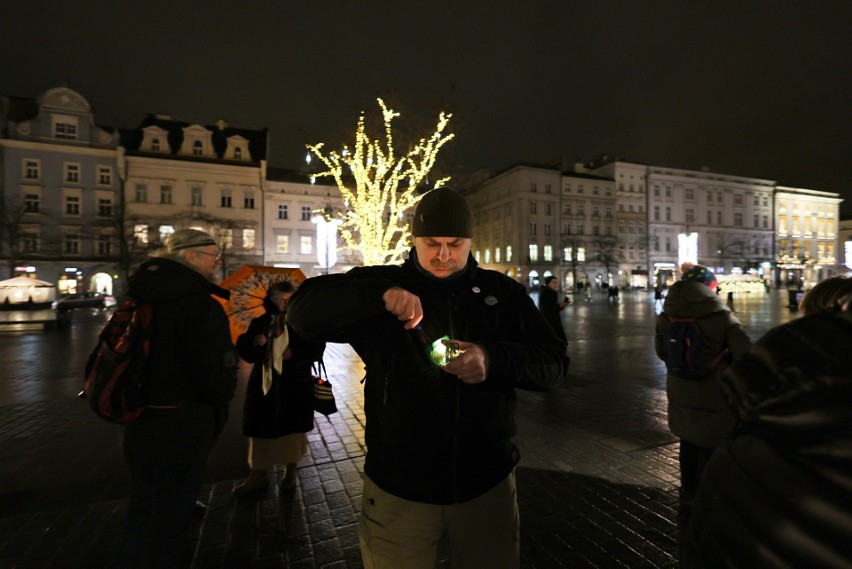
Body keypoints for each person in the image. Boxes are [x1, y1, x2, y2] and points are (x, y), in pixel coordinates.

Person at [287, 186, 569, 568]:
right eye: (431, 242)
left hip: (486, 484)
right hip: (398, 488)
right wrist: (379, 295)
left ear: (470, 241)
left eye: (454, 243)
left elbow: (553, 363)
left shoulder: (501, 293)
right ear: (414, 240)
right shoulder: (381, 283)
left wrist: (493, 357)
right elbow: (302, 310)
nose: (443, 254)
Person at [688, 292, 852, 568]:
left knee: (692, 444)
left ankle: (687, 487)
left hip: (697, 395)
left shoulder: (753, 431)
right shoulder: (725, 321)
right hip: (714, 396)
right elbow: (741, 349)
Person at [109, 229, 238, 569]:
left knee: (143, 507)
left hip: (139, 418)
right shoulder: (200, 306)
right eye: (213, 256)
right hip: (183, 425)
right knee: (171, 518)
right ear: (191, 256)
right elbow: (214, 380)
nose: (217, 264)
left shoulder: (138, 294)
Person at [654, 265, 752, 504]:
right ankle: (708, 494)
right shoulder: (721, 315)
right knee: (712, 440)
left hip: (679, 386)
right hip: (713, 389)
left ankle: (688, 490)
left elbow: (661, 351)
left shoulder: (667, 315)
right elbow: (746, 355)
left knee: (688, 440)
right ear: (709, 287)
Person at [232, 281, 326, 497]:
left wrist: (294, 354)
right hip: (264, 386)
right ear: (271, 299)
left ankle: (290, 470)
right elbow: (247, 352)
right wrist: (255, 342)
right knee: (259, 429)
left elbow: (316, 348)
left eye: (289, 297)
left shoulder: (301, 320)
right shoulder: (261, 322)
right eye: (281, 298)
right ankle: (258, 474)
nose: (286, 302)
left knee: (292, 430)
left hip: (294, 384)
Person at [537, 275, 568, 344]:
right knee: (555, 336)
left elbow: (552, 306)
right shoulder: (548, 292)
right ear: (548, 283)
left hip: (549, 317)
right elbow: (550, 307)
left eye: (556, 282)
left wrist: (561, 305)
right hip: (551, 318)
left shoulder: (547, 291)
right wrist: (560, 305)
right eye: (553, 282)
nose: (555, 284)